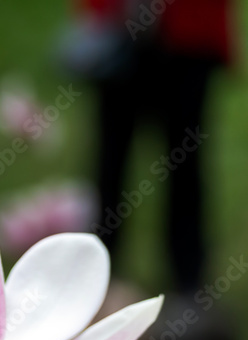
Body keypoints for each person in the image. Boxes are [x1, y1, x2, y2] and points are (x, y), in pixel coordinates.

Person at [65, 0, 234, 296]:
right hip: (119, 32)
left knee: (185, 166)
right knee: (110, 163)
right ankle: (92, 279)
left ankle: (188, 284)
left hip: (188, 36)